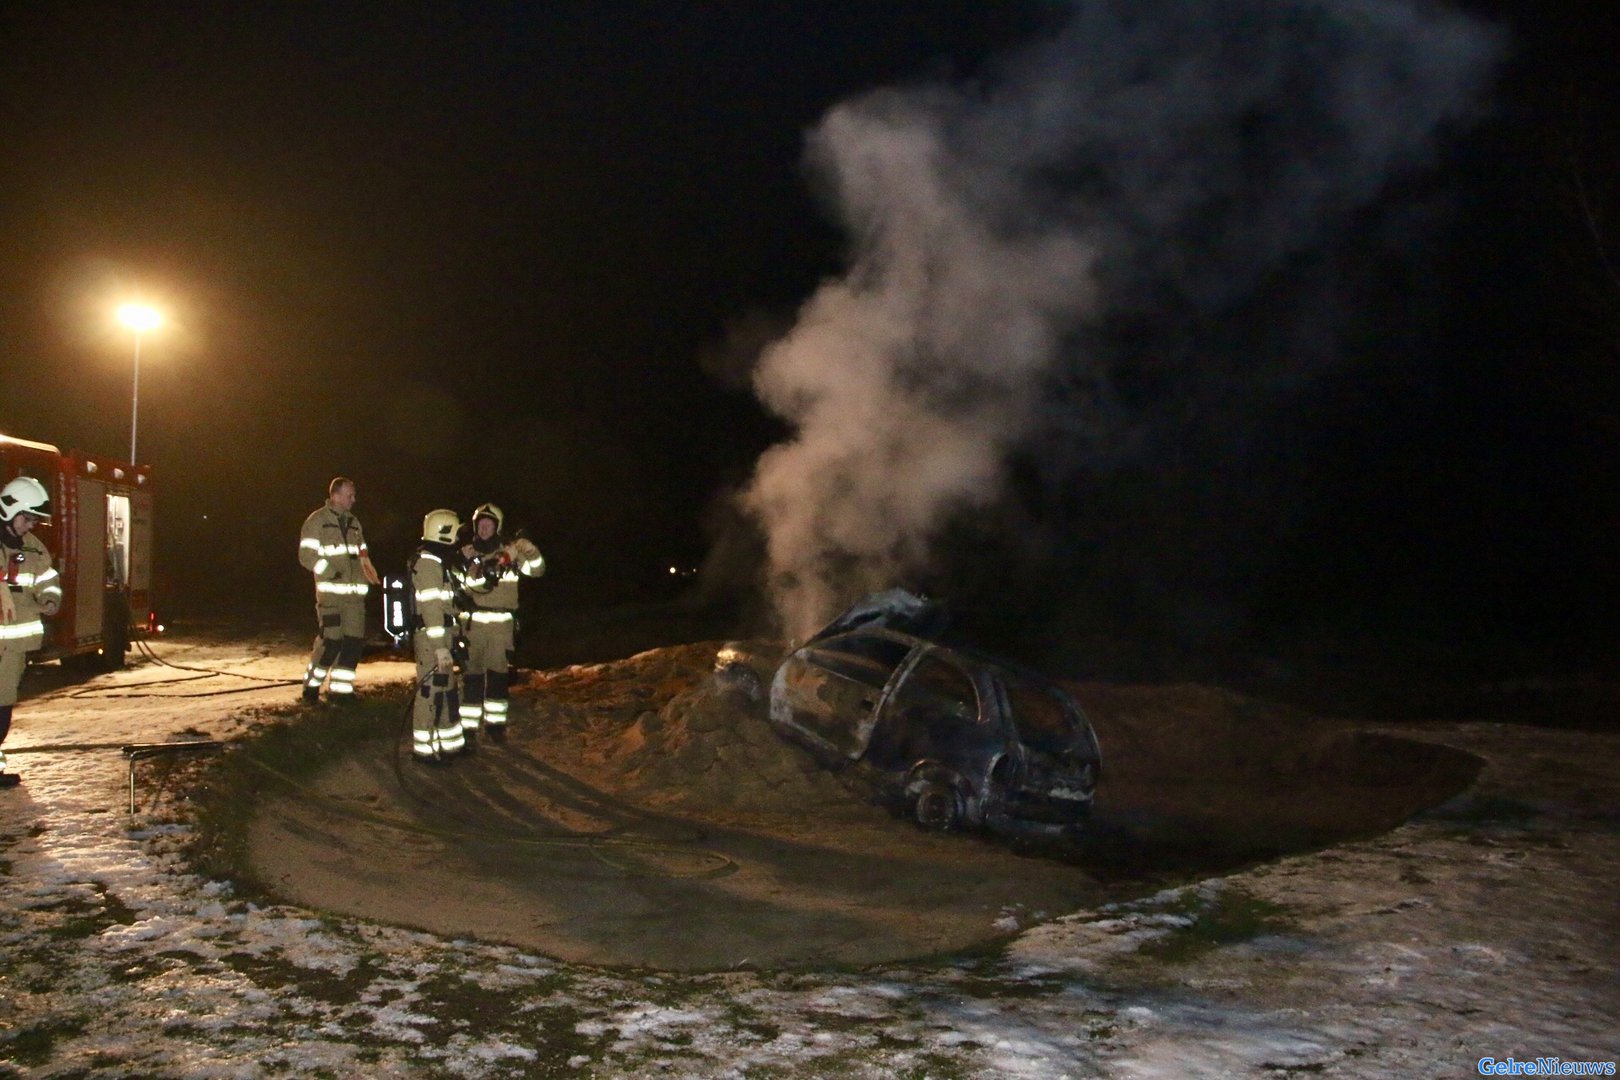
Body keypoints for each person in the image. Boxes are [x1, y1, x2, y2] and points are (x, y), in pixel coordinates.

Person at [456, 502, 544, 743]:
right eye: (480, 524)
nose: (484, 528)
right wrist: (479, 567)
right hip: (473, 626)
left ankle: (496, 727)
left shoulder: (511, 553)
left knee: (498, 678)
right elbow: (464, 587)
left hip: (501, 628)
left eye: (489, 524)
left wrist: (529, 550)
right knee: (472, 677)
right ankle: (469, 729)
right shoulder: (466, 553)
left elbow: (537, 571)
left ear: (497, 526)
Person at [0, 477, 63, 789]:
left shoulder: (34, 549)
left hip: (14, 648)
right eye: (27, 519)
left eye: (34, 521)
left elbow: (48, 579)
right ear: (9, 510)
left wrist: (51, 598)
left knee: (3, 706)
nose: (30, 527)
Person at [297, 476, 380, 704]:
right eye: (349, 495)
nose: (354, 500)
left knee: (353, 644)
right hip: (331, 597)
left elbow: (362, 555)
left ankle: (341, 692)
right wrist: (330, 571)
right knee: (330, 642)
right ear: (335, 496)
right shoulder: (317, 521)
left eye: (354, 495)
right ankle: (311, 688)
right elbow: (306, 556)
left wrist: (369, 575)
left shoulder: (354, 523)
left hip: (355, 599)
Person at [411, 509, 467, 763]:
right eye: (455, 532)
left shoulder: (440, 562)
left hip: (443, 636)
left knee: (447, 691)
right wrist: (439, 647)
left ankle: (451, 744)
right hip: (432, 640)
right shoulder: (428, 564)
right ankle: (424, 751)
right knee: (429, 694)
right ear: (444, 533)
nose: (458, 538)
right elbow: (431, 608)